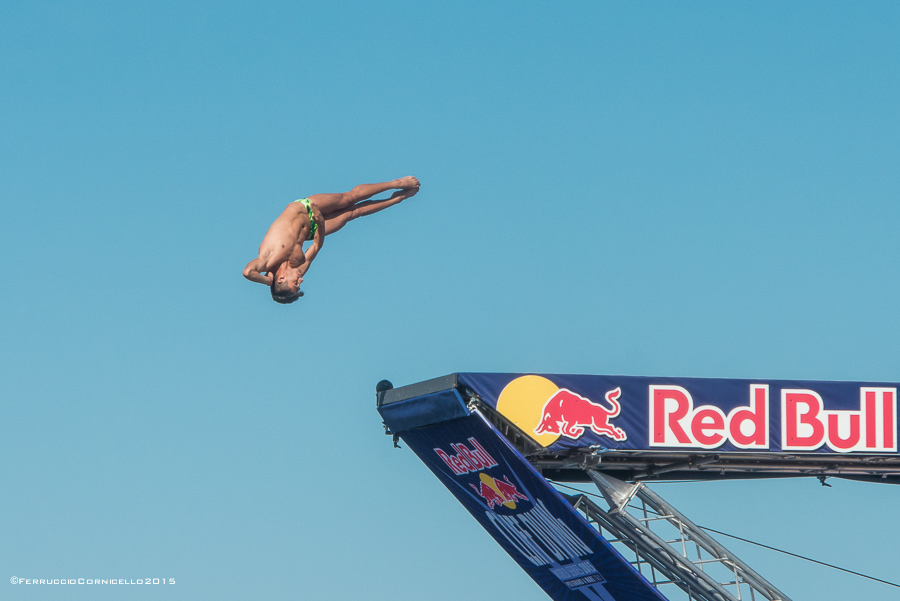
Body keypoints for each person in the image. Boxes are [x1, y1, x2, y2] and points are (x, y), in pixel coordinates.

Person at [243, 176, 420, 303]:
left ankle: (396, 183)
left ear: (280, 279)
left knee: (349, 198)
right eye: (299, 283)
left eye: (296, 283)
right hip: (314, 229)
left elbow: (247, 272)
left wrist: (268, 281)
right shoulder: (299, 268)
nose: (301, 280)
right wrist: (319, 223)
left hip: (304, 209)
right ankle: (398, 199)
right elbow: (317, 246)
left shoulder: (267, 260)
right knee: (353, 213)